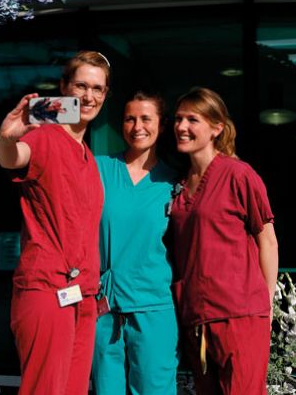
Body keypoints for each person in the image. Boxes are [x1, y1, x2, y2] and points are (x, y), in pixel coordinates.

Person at [0, 50, 110, 395]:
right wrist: (6, 137)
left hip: (83, 296)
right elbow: (13, 158)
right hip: (47, 290)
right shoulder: (45, 136)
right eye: (81, 86)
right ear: (63, 88)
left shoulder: (88, 155)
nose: (88, 96)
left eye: (98, 89)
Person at [169, 87, 279, 395]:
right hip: (196, 317)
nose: (181, 127)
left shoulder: (238, 175)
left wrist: (265, 305)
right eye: (178, 119)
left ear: (217, 128)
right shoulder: (177, 185)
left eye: (193, 119)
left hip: (240, 315)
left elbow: (267, 241)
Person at [91, 91, 179, 394]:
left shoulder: (174, 183)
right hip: (103, 306)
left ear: (162, 125)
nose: (137, 126)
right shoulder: (98, 169)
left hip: (153, 305)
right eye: (130, 118)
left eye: (146, 118)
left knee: (154, 389)